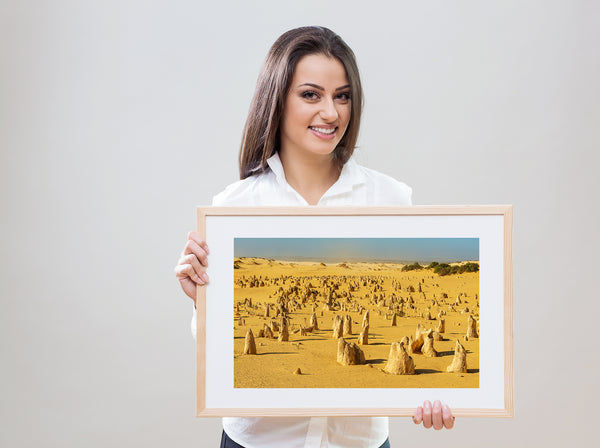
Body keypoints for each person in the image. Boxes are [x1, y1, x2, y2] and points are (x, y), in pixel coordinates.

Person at [175, 26, 455, 448]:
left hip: (358, 440)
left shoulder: (391, 198)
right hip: (258, 440)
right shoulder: (234, 205)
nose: (331, 112)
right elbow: (221, 355)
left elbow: (416, 332)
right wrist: (204, 301)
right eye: (311, 95)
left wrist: (434, 394)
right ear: (277, 99)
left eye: (342, 96)